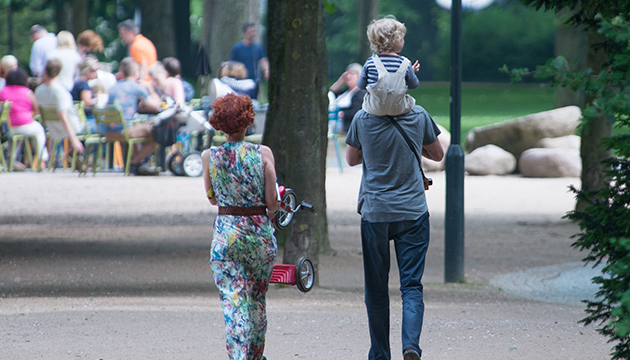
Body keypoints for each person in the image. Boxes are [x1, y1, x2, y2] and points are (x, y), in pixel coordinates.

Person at [345, 104, 445, 360]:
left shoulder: (362, 118)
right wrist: (413, 143)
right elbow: (437, 154)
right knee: (411, 285)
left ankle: (380, 354)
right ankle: (410, 345)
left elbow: (352, 159)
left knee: (376, 289)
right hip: (412, 211)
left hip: (375, 212)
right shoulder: (419, 115)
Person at [201, 93, 279, 360]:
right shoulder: (263, 153)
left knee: (233, 302)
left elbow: (211, 198)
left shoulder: (208, 156)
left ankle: (238, 356)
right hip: (259, 236)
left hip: (226, 235)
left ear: (219, 123)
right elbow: (272, 202)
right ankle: (256, 356)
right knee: (257, 298)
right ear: (248, 121)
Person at [107, 57, 161, 175]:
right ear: (135, 73)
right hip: (124, 131)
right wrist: (150, 89)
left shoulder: (112, 88)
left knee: (138, 128)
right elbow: (156, 106)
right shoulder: (137, 87)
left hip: (107, 131)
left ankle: (137, 164)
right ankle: (135, 162)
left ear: (121, 71)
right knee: (159, 132)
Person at [357, 16, 420, 117]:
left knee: (358, 117)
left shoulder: (370, 63)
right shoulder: (405, 63)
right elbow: (414, 85)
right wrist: (410, 72)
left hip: (374, 109)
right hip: (400, 109)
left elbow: (361, 85)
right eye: (402, 39)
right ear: (396, 41)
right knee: (420, 112)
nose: (404, 41)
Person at [0, 69, 49, 168]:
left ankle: (11, 159)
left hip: (7, 127)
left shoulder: (2, 92)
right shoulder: (27, 92)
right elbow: (36, 110)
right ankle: (41, 159)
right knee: (39, 131)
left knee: (14, 138)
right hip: (25, 124)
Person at [35, 59, 84, 155]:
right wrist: (73, 139)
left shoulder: (38, 91)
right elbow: (63, 116)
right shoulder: (60, 92)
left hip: (51, 128)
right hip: (71, 129)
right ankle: (77, 156)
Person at [228, 22, 269, 100]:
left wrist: (266, 70)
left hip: (254, 82)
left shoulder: (258, 48)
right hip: (241, 83)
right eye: (250, 32)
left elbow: (263, 60)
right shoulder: (237, 48)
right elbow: (231, 64)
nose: (252, 34)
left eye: (253, 31)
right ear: (244, 33)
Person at [329, 63, 367, 134]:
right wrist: (340, 81)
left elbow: (356, 111)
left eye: (351, 74)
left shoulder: (360, 93)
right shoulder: (345, 92)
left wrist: (342, 114)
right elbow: (330, 94)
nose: (348, 77)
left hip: (346, 124)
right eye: (347, 74)